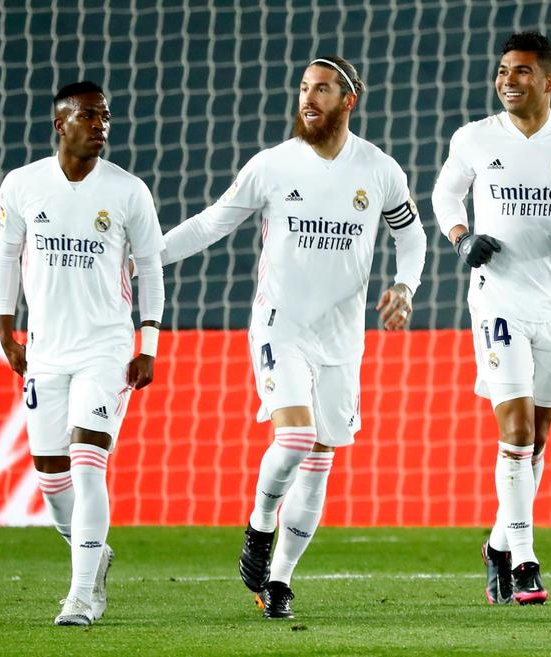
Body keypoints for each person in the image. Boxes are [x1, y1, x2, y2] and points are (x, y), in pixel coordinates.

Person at [162, 56, 426, 619]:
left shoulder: (379, 169)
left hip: (342, 338)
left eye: (322, 89)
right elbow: (211, 222)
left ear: (348, 100)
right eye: (304, 88)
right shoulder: (272, 165)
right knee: (297, 438)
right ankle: (260, 525)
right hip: (280, 327)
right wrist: (146, 258)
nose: (309, 98)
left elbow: (412, 236)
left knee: (320, 456)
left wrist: (405, 286)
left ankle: (279, 580)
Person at [432, 32, 551, 605]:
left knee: (537, 438)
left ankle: (497, 544)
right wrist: (462, 237)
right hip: (497, 302)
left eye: (520, 71)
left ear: (548, 81)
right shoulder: (473, 138)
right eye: (502, 70)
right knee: (515, 432)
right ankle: (525, 561)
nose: (507, 80)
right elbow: (446, 197)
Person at [0, 81, 166, 626]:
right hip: (46, 350)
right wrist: (6, 331)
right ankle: (94, 553)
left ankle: (83, 594)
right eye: (89, 116)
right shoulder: (22, 185)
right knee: (51, 475)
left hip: (105, 350)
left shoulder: (129, 191)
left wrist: (148, 343)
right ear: (60, 124)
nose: (100, 125)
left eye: (105, 116)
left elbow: (151, 269)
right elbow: (6, 257)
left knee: (88, 462)